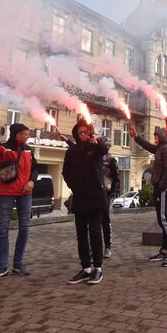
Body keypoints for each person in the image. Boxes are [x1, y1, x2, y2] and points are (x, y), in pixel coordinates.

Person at [0, 122, 38, 282]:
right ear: (17, 134)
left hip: (25, 193)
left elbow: (35, 168)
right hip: (6, 193)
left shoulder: (28, 150)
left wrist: (32, 181)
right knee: (3, 229)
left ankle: (18, 264)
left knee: (24, 228)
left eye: (28, 134)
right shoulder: (4, 149)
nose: (27, 137)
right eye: (25, 134)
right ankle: (2, 267)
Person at [62, 120, 110, 285]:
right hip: (80, 196)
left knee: (95, 232)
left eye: (85, 132)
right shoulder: (72, 151)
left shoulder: (96, 147)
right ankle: (86, 268)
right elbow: (65, 172)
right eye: (80, 132)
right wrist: (73, 185)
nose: (82, 135)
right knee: (81, 234)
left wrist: (97, 142)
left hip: (96, 195)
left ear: (90, 133)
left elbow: (104, 149)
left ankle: (98, 268)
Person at [130, 125, 167, 267]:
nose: (154, 139)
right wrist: (136, 137)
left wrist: (162, 186)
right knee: (162, 220)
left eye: (156, 136)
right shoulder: (160, 148)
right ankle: (165, 250)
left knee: (164, 220)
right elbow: (147, 146)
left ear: (162, 137)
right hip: (160, 187)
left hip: (164, 188)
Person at [101, 152, 120, 258]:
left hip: (105, 194)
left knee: (105, 221)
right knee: (93, 222)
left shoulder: (111, 160)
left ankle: (107, 246)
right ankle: (94, 247)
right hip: (94, 192)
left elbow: (116, 177)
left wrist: (111, 192)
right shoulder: (94, 156)